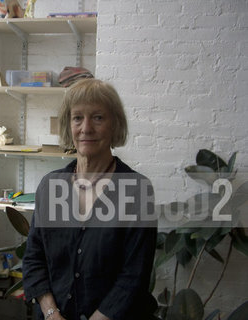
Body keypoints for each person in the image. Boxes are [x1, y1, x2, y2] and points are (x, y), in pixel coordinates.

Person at [22, 79, 157, 320]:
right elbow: (34, 257)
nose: (86, 128)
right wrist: (51, 313)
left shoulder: (137, 190)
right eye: (77, 118)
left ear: (114, 124)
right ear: (68, 125)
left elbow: (134, 275)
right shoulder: (50, 187)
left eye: (98, 117)